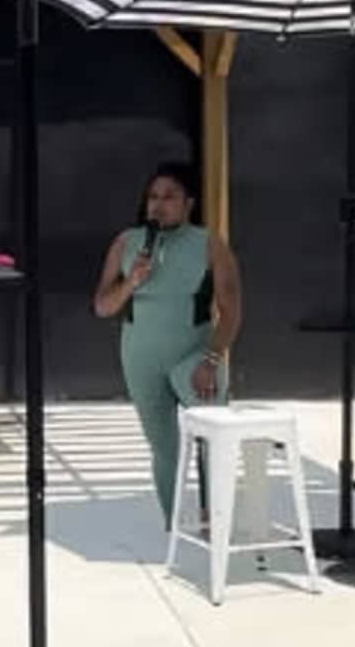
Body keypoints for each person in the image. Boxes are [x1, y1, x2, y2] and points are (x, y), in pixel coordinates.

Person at [93, 160, 245, 522]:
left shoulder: (208, 244)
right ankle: (172, 524)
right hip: (141, 358)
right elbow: (102, 306)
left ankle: (215, 518)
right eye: (153, 197)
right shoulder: (126, 243)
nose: (158, 205)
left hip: (195, 356)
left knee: (212, 440)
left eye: (169, 197)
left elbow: (232, 309)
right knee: (163, 446)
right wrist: (132, 282)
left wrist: (211, 360)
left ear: (189, 202)